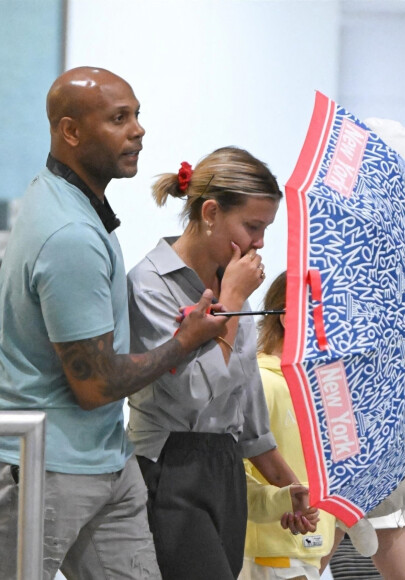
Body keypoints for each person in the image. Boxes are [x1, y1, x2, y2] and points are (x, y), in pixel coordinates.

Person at [0, 67, 227, 580]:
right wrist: (185, 341)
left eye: (137, 115)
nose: (138, 130)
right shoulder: (70, 234)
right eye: (119, 119)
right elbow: (95, 383)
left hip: (106, 460)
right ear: (71, 132)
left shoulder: (74, 205)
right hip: (48, 468)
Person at [126, 146, 316, 580]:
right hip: (167, 464)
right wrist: (228, 303)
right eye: (252, 226)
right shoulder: (150, 285)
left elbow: (247, 412)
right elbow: (193, 393)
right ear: (210, 211)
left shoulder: (233, 289)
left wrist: (287, 486)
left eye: (266, 228)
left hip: (224, 468)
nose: (260, 243)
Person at [322, 117, 405, 580]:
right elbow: (333, 376)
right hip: (351, 465)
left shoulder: (404, 268)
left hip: (396, 458)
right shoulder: (342, 271)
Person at [240, 271, 336, 580]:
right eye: (324, 313)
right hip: (271, 554)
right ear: (286, 316)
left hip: (309, 552)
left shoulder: (325, 390)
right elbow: (235, 476)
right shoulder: (262, 383)